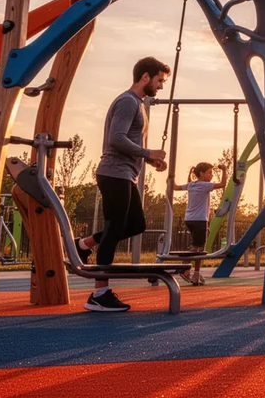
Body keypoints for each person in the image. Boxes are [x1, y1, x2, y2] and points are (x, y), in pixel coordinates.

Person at [74, 57, 170, 313]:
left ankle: (83, 245)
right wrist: (148, 152)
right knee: (114, 228)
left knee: (137, 224)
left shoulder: (137, 104)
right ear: (146, 77)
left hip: (125, 174)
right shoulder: (128, 101)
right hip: (114, 173)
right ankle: (99, 294)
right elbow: (116, 139)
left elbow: (127, 144)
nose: (161, 86)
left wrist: (149, 161)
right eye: (160, 80)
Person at [172, 161, 227, 285]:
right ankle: (184, 267)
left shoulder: (192, 184)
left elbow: (175, 187)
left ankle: (196, 272)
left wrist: (171, 178)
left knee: (198, 248)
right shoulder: (204, 185)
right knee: (198, 248)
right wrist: (224, 170)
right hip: (200, 220)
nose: (211, 175)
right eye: (209, 173)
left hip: (189, 219)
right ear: (201, 174)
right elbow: (223, 184)